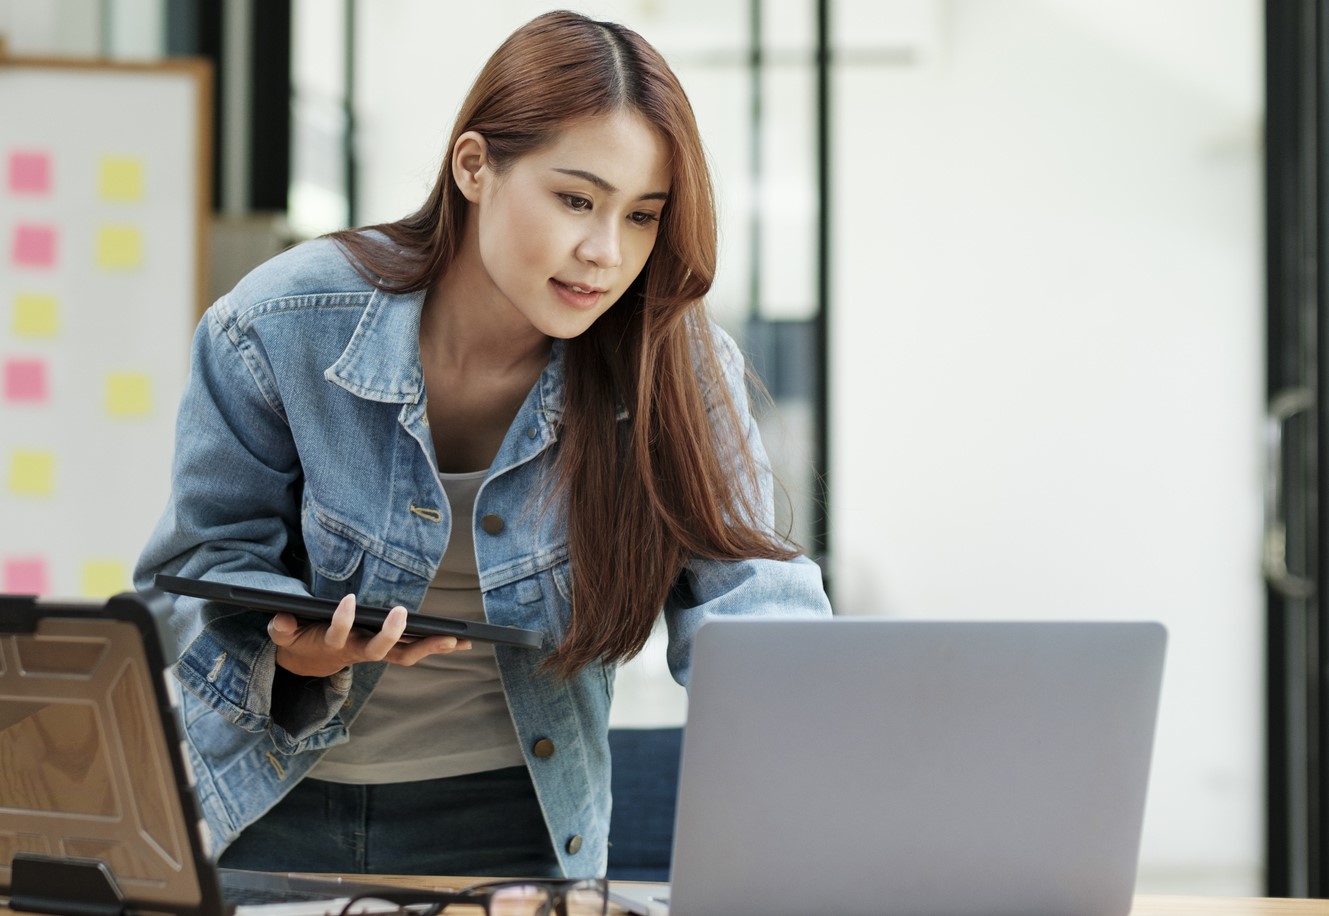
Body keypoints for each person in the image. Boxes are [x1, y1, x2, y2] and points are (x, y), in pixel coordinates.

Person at [134, 9, 831, 879]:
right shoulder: (278, 326)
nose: (604, 253)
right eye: (575, 199)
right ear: (474, 166)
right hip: (263, 804)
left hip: (512, 826)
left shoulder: (673, 362)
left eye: (643, 215)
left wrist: (834, 727)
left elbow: (751, 597)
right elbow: (191, 581)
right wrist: (290, 650)